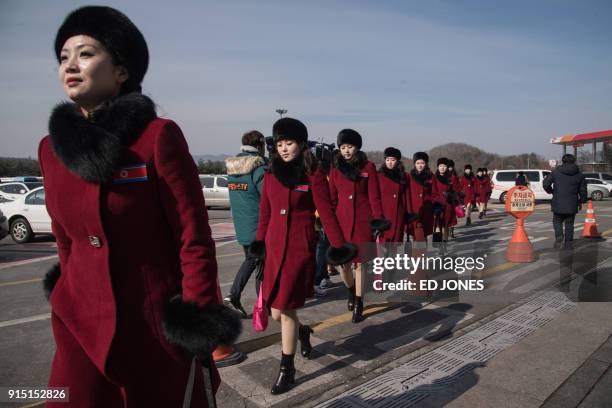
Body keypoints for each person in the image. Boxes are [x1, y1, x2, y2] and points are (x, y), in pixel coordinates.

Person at [39, 6, 241, 407]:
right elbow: (65, 241)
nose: (71, 65)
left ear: (121, 70)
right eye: (63, 57)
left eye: (86, 53)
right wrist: (66, 292)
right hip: (79, 325)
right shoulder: (50, 150)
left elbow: (193, 237)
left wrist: (196, 320)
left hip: (152, 330)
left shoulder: (156, 138)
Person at [250, 118, 356, 394]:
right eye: (280, 144)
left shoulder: (313, 174)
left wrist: (338, 246)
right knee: (277, 312)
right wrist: (259, 244)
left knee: (285, 308)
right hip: (273, 248)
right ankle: (303, 332)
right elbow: (265, 214)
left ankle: (287, 369)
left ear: (301, 144)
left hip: (299, 248)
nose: (284, 149)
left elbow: (327, 213)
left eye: (290, 143)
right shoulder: (270, 173)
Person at [329, 129, 390, 323]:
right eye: (343, 147)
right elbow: (331, 198)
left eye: (350, 146)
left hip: (363, 222)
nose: (346, 151)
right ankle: (349, 290)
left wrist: (378, 219)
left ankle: (358, 300)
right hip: (342, 222)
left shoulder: (368, 167)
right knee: (343, 266)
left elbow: (374, 196)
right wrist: (325, 222)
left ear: (357, 147)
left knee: (360, 264)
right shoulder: (335, 168)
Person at [223, 130, 267, 316]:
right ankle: (261, 304)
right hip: (259, 227)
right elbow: (269, 197)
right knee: (262, 268)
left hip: (242, 227)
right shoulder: (258, 169)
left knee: (251, 261)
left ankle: (234, 296)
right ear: (259, 146)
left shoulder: (233, 170)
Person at [543, 154, 588, 248]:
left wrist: (551, 191)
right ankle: (568, 241)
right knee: (569, 223)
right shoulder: (579, 174)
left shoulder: (555, 172)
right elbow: (583, 189)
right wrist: (582, 200)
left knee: (557, 221)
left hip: (558, 202)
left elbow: (546, 184)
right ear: (574, 161)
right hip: (572, 203)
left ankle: (559, 236)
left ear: (563, 161)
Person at [407, 152, 435, 242]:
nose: (420, 165)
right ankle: (417, 255)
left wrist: (435, 205)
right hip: (413, 210)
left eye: (422, 163)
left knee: (424, 234)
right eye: (417, 163)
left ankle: (423, 255)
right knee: (415, 235)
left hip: (427, 209)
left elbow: (435, 193)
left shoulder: (431, 176)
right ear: (414, 164)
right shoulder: (409, 176)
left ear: (426, 164)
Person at [431, 157, 458, 248]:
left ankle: (445, 243)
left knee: (446, 226)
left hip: (448, 205)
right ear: (438, 167)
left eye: (444, 166)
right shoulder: (434, 178)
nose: (442, 167)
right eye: (440, 166)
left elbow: (455, 191)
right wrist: (435, 203)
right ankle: (439, 244)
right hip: (437, 205)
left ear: (447, 167)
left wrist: (450, 195)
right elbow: (433, 192)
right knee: (438, 225)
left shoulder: (451, 178)